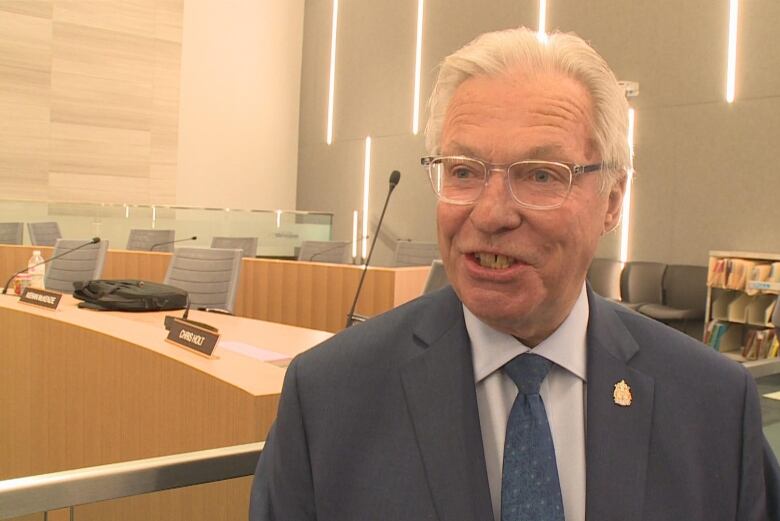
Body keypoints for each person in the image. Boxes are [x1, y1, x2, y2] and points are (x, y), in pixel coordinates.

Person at [250, 27, 780, 521]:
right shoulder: (327, 397)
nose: (490, 214)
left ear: (612, 201)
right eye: (463, 171)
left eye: (541, 175)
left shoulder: (713, 405)